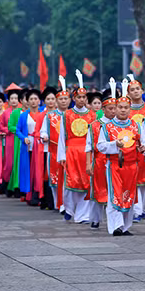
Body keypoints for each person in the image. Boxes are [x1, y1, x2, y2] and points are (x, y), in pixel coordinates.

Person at [95, 79, 145, 235]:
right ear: (115, 109)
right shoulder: (107, 127)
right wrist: (114, 145)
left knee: (129, 195)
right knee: (115, 196)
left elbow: (144, 142)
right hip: (114, 165)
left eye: (126, 108)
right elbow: (100, 146)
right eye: (120, 107)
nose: (123, 110)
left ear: (130, 109)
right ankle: (116, 226)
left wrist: (142, 148)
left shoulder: (136, 125)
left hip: (132, 165)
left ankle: (126, 226)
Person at [57, 70, 98, 222]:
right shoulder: (67, 115)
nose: (81, 100)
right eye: (78, 97)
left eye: (84, 97)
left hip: (87, 153)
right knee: (71, 182)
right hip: (71, 151)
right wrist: (62, 155)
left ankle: (83, 215)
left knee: (86, 183)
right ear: (74, 98)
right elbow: (62, 137)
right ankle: (68, 208)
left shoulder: (92, 115)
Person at [85, 84, 116, 230]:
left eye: (115, 108)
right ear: (103, 109)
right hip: (99, 161)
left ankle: (114, 220)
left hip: (116, 162)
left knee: (114, 191)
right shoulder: (95, 125)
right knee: (98, 191)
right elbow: (89, 146)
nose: (113, 111)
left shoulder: (119, 125)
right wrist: (88, 163)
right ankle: (95, 219)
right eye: (110, 108)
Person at [40, 80, 70, 211]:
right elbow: (43, 130)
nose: (63, 101)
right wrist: (44, 136)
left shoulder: (73, 115)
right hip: (54, 151)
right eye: (61, 99)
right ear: (57, 101)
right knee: (55, 179)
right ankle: (59, 203)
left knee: (69, 178)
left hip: (70, 152)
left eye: (66, 99)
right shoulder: (50, 116)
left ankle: (68, 204)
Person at [127, 75, 145, 221]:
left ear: (142, 90)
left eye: (138, 89)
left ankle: (143, 208)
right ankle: (136, 210)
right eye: (132, 90)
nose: (136, 92)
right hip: (130, 149)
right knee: (134, 179)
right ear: (128, 93)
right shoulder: (125, 109)